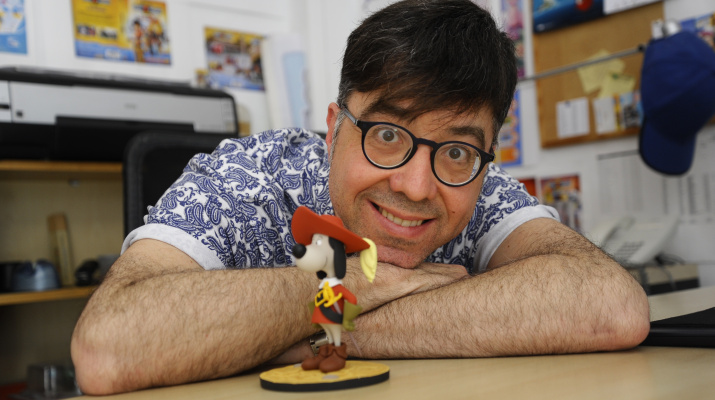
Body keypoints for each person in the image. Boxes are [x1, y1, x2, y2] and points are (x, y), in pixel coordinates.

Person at [71, 0, 650, 395]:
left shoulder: (478, 186)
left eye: (456, 149)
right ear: (334, 128)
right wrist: (362, 282)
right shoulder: (245, 177)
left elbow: (610, 305)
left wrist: (293, 334)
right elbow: (108, 348)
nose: (416, 187)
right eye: (388, 135)